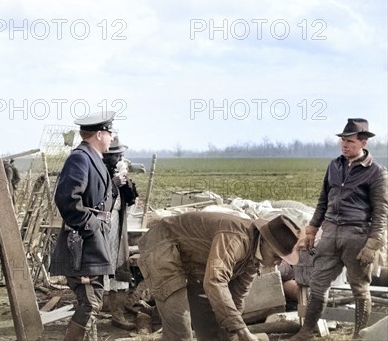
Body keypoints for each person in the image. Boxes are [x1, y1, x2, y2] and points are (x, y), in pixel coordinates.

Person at [290, 118, 388, 340]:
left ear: (363, 142)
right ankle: (307, 330)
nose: (344, 145)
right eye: (342, 141)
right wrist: (312, 230)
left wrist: (373, 244)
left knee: (359, 288)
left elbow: (381, 212)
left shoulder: (376, 172)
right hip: (330, 233)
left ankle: (358, 336)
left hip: (357, 236)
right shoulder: (334, 165)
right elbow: (323, 200)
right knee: (317, 282)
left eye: (350, 141)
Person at [138, 211, 301, 341]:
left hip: (195, 262)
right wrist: (241, 329)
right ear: (265, 241)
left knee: (213, 332)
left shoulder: (256, 257)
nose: (278, 263)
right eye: (276, 255)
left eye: (282, 258)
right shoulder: (235, 239)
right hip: (162, 247)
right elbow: (215, 282)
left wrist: (233, 330)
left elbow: (237, 296)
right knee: (180, 328)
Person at [49, 111, 117, 341]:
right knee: (90, 301)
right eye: (110, 133)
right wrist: (91, 226)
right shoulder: (80, 158)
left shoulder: (93, 158)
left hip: (94, 242)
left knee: (92, 300)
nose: (112, 138)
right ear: (99, 134)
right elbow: (67, 198)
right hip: (84, 245)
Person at [102, 136, 139, 330]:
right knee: (98, 268)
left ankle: (117, 314)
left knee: (118, 268)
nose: (120, 158)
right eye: (117, 155)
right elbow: (94, 198)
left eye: (121, 155)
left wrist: (125, 186)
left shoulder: (120, 172)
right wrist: (112, 184)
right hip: (100, 225)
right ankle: (92, 312)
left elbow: (131, 199)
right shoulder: (96, 171)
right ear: (107, 156)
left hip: (117, 224)